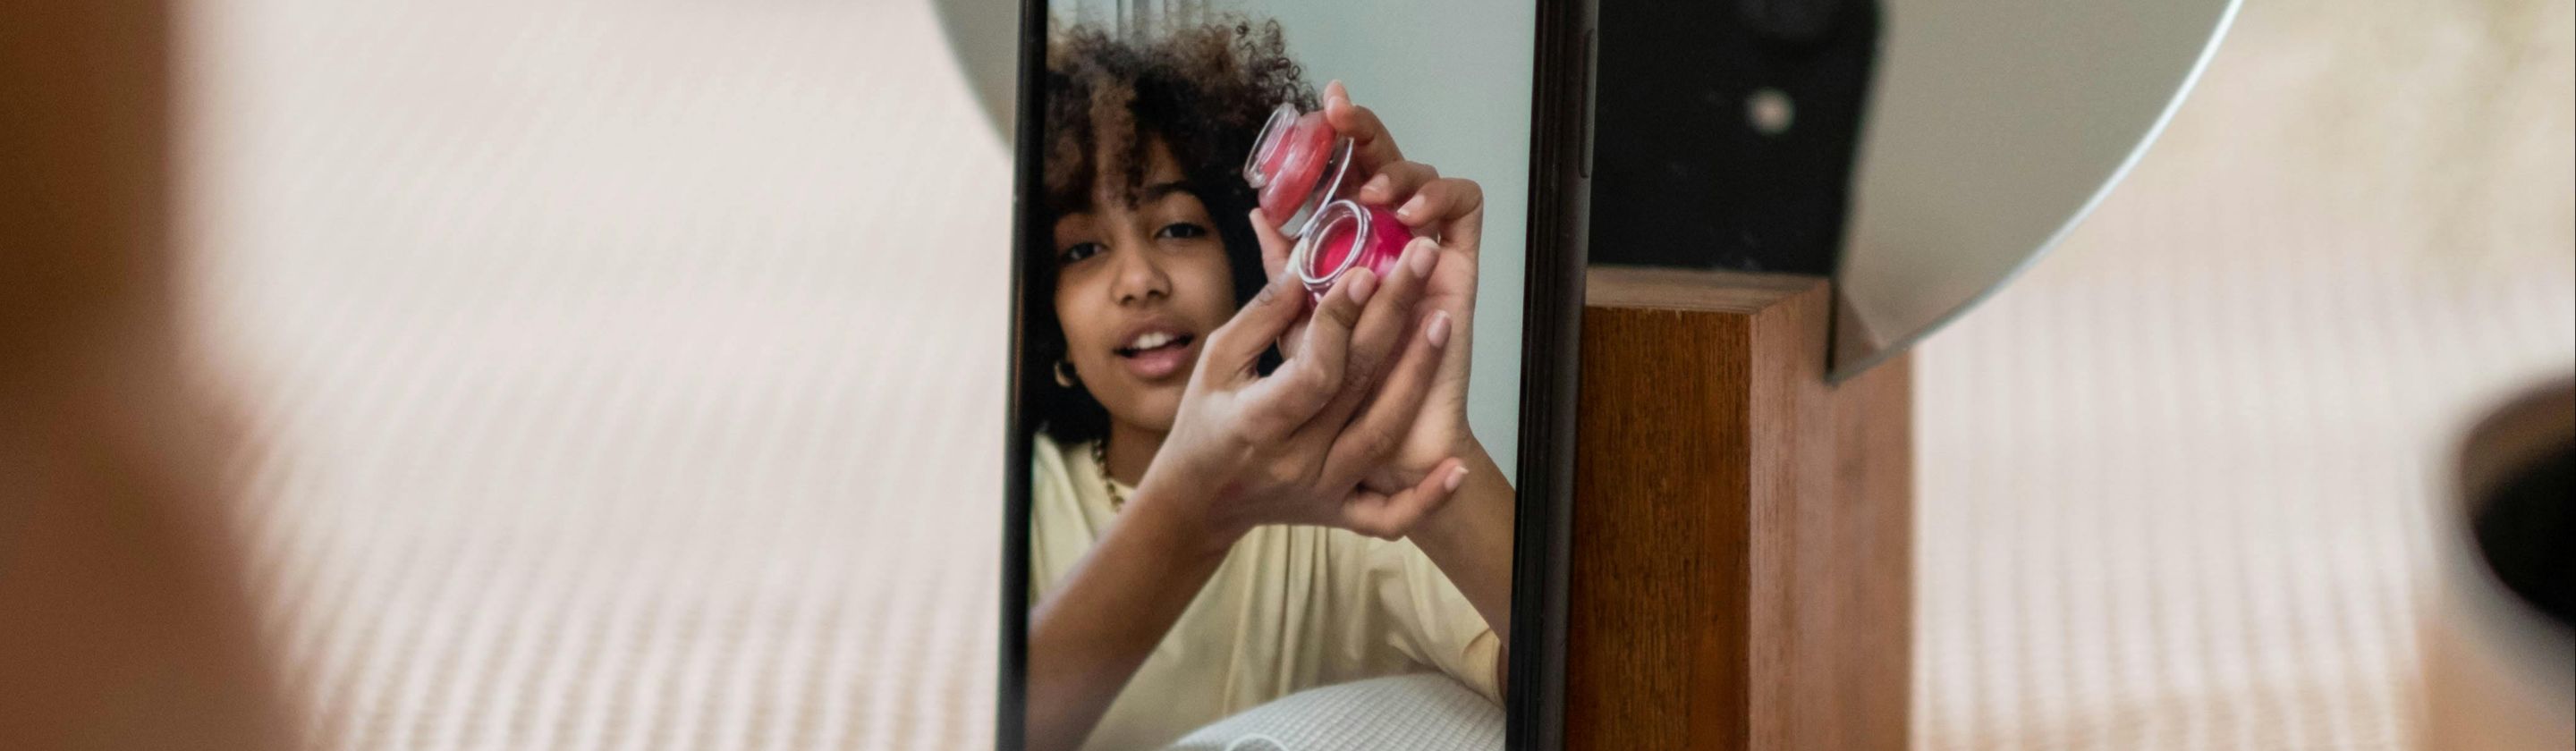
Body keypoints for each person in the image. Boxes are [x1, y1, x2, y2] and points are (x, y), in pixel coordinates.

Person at [1024, 20, 1520, 751]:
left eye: (1178, 229)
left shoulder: (1345, 497)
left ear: (1247, 260)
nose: (1139, 281)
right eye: (1084, 250)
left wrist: (1427, 455)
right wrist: (1193, 505)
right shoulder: (1010, 499)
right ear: (1046, 321)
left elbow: (1587, 680)